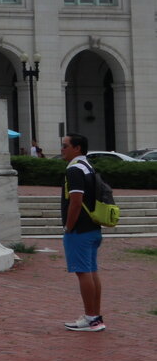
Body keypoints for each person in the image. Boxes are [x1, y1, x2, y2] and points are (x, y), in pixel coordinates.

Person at [60, 134, 105, 331]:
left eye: (65, 146)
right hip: (93, 228)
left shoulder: (75, 170)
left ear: (77, 148)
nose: (62, 149)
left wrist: (68, 227)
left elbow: (76, 201)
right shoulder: (88, 167)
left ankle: (90, 319)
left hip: (79, 229)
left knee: (83, 272)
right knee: (92, 271)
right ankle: (95, 316)